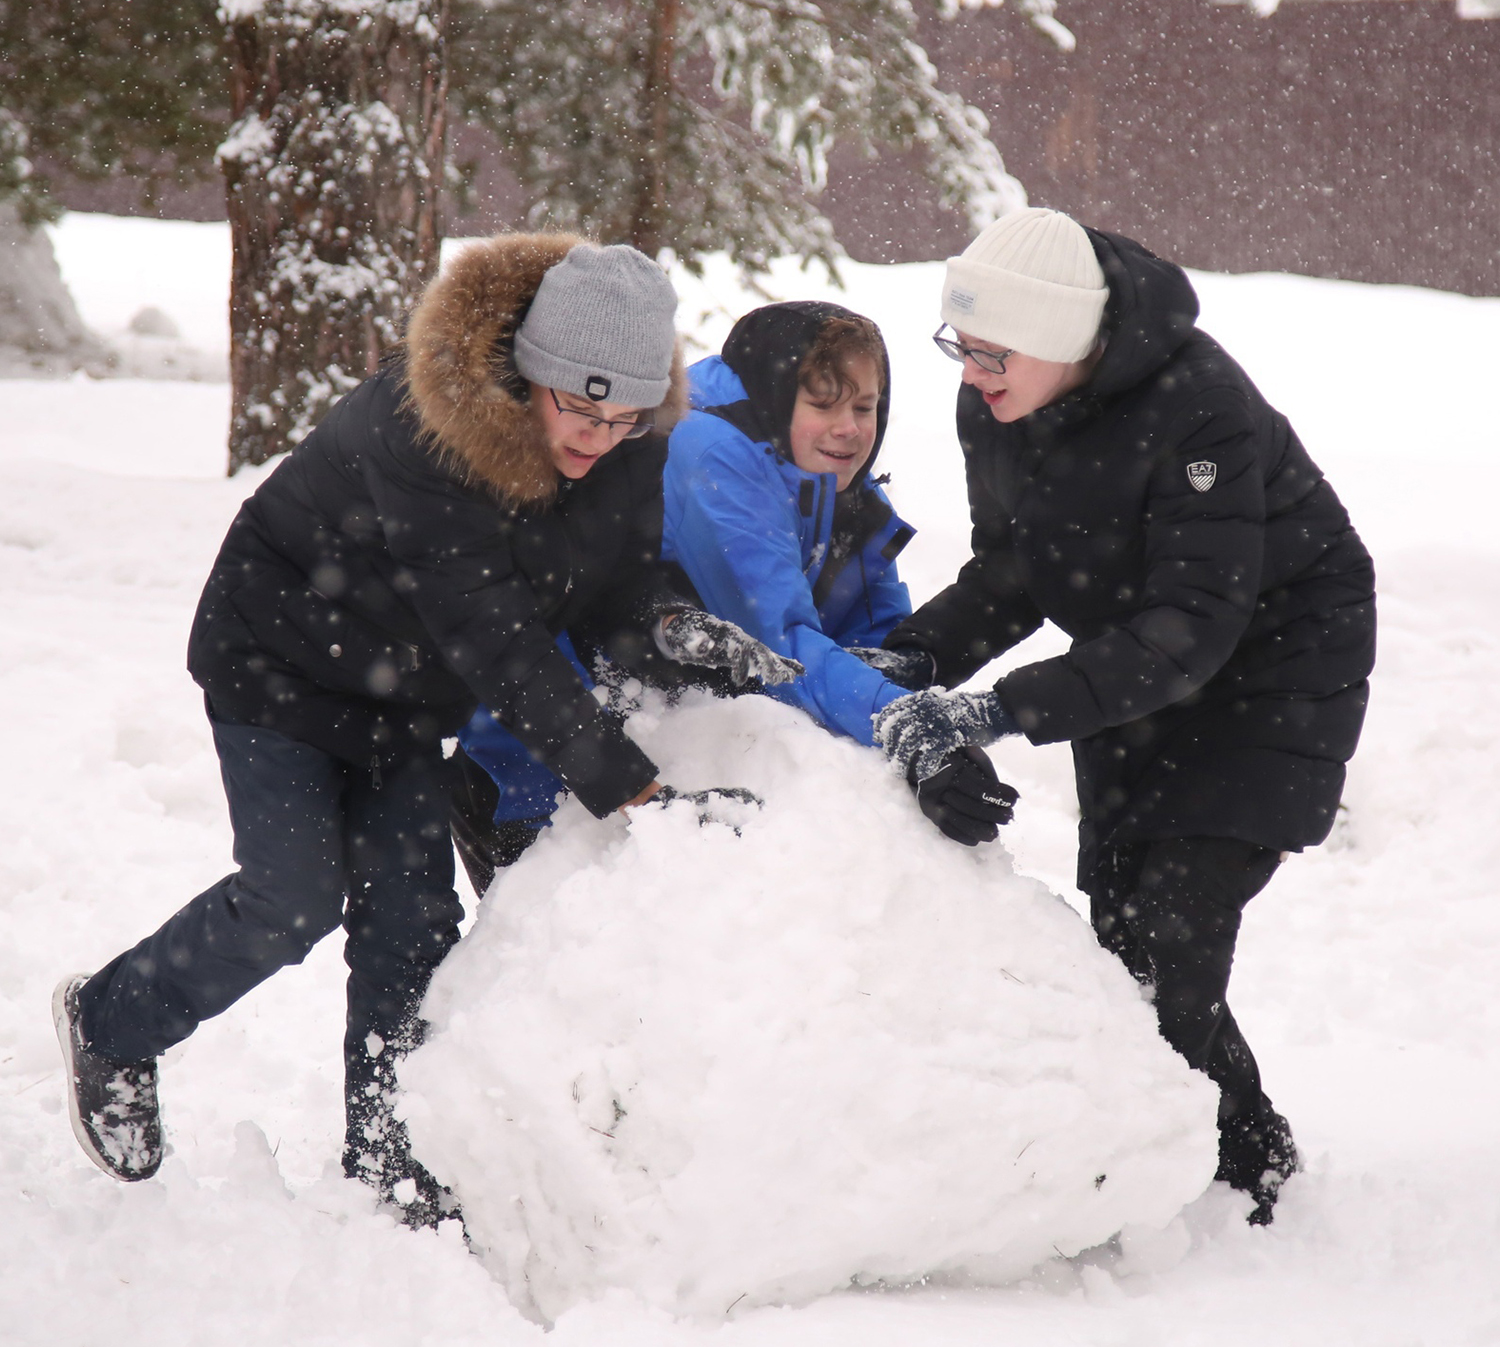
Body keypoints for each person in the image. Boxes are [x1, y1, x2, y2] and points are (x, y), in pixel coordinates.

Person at [52, 234, 793, 1224]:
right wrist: (632, 786)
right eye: (578, 406)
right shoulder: (428, 430)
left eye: (622, 417)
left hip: (398, 687)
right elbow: (494, 635)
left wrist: (672, 627)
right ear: (533, 371)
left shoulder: (623, 449)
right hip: (278, 657)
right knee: (293, 897)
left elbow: (611, 584)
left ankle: (388, 1149)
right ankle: (112, 1021)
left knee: (411, 915)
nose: (595, 437)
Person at [874, 208, 1376, 1225]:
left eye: (991, 351)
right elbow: (1020, 569)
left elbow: (1195, 624)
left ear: (1061, 341)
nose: (969, 372)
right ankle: (1198, 1156)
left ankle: (1250, 1186)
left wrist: (993, 710)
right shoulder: (1000, 402)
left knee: (1173, 934)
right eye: (958, 346)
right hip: (1130, 671)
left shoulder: (1199, 405)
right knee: (1121, 937)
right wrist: (901, 664)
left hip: (1274, 668)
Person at [455, 300, 1016, 861]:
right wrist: (901, 727)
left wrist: (907, 698)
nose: (848, 430)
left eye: (865, 407)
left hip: (652, 753)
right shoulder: (711, 455)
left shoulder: (833, 477)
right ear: (775, 397)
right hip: (544, 766)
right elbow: (778, 645)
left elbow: (873, 630)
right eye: (822, 404)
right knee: (542, 940)